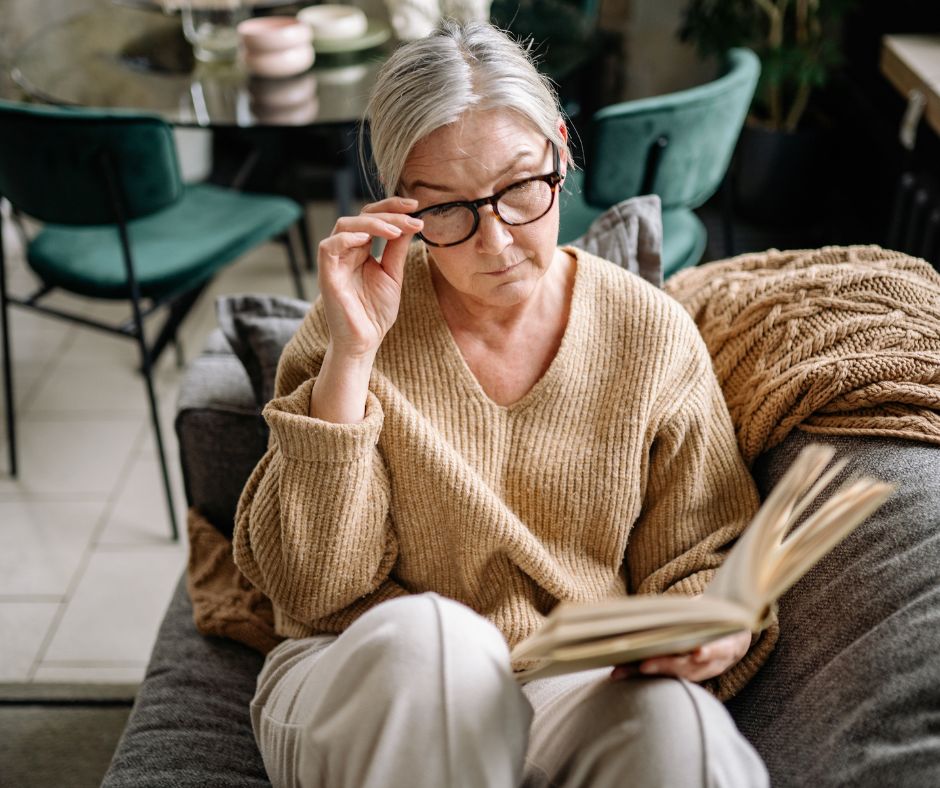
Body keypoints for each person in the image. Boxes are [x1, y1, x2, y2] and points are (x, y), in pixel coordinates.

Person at [234, 20, 775, 788]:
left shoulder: (648, 334)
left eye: (521, 187)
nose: (495, 241)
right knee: (439, 642)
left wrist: (705, 630)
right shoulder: (350, 327)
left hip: (562, 682)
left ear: (559, 150)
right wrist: (355, 353)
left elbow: (704, 556)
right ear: (398, 208)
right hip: (361, 670)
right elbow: (312, 587)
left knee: (677, 727)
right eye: (447, 210)